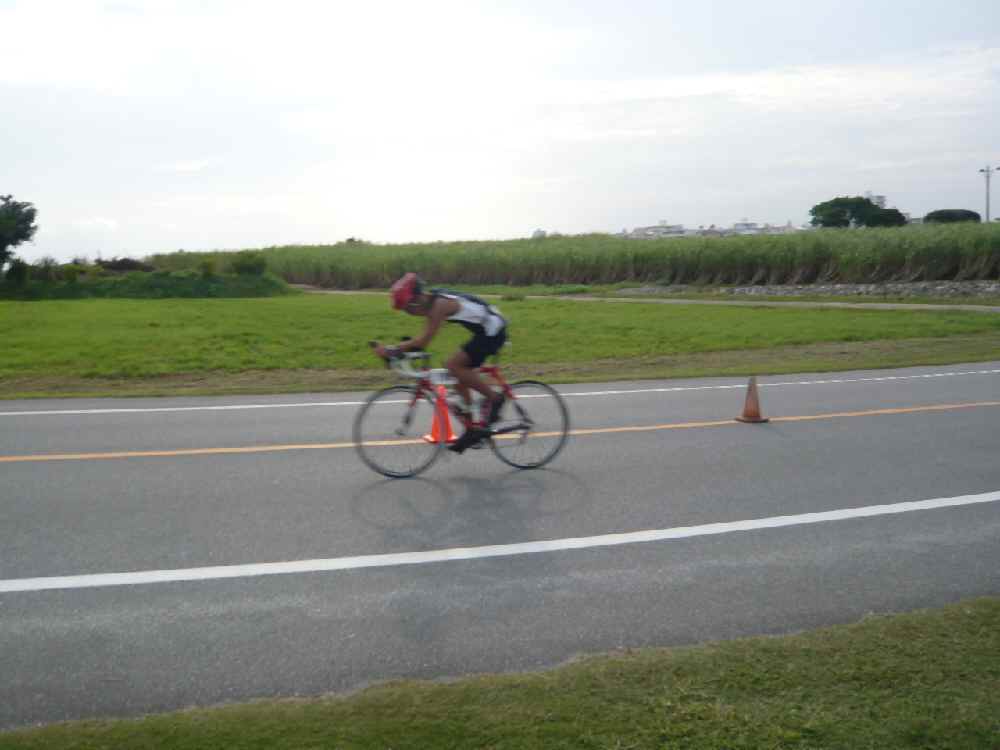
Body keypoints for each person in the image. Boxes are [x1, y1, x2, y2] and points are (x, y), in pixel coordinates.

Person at [374, 273, 508, 453]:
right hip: (483, 329)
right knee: (457, 375)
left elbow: (423, 341)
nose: (409, 313)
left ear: (416, 300)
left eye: (408, 309)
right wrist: (401, 350)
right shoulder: (431, 302)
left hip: (493, 330)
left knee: (454, 366)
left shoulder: (439, 306)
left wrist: (393, 351)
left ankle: (496, 399)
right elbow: (419, 341)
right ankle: (471, 429)